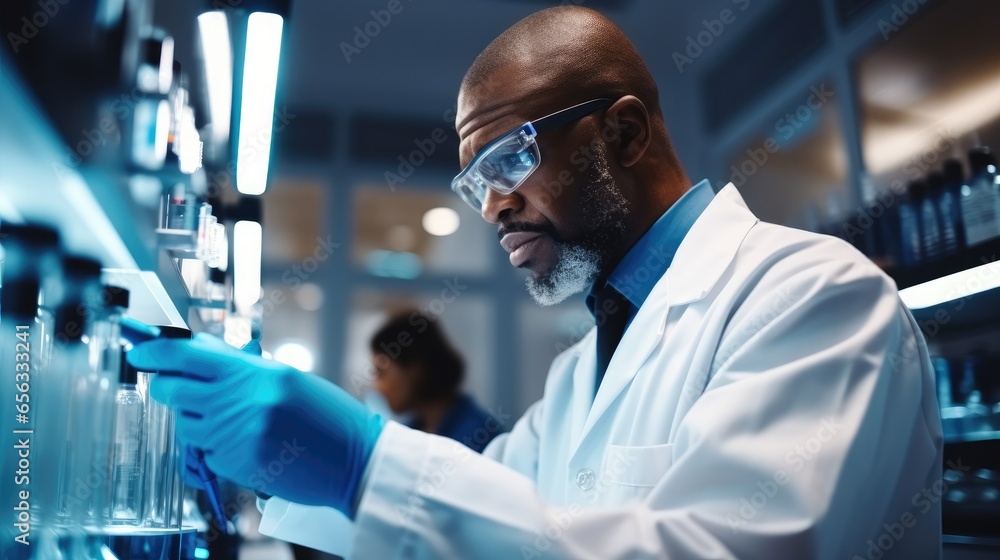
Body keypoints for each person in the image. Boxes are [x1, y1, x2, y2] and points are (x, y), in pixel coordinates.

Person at [127, 6, 943, 558]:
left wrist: (360, 460)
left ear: (622, 132)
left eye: (508, 159)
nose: (492, 208)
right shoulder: (582, 368)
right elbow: (498, 517)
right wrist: (281, 473)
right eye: (474, 183)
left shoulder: (815, 300)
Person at [369, 310, 501, 453]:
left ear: (414, 369)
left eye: (381, 373)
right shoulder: (411, 434)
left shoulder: (480, 437)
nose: (377, 387)